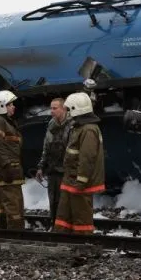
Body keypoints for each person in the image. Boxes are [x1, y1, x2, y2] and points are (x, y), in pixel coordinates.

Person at [53, 92, 105, 235]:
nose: (68, 113)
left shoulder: (88, 130)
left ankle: (83, 246)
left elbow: (87, 158)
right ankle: (63, 242)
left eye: (69, 110)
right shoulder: (79, 127)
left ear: (77, 109)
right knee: (64, 217)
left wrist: (81, 181)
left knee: (81, 219)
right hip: (71, 180)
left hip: (79, 182)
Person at [0, 90, 25, 230]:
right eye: (10, 104)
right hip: (7, 172)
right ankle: (16, 235)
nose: (13, 106)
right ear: (2, 105)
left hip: (8, 171)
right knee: (14, 207)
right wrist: (7, 166)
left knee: (1, 206)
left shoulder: (4, 122)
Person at [35, 98, 72, 230]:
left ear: (64, 108)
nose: (51, 111)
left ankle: (65, 229)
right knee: (54, 201)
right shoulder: (51, 124)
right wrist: (40, 167)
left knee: (65, 203)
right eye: (51, 108)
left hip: (66, 172)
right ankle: (54, 225)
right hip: (52, 171)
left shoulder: (72, 125)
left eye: (55, 108)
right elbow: (46, 147)